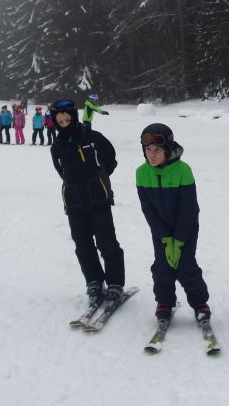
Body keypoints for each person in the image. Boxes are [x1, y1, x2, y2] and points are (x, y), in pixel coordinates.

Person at [49, 99, 125, 307]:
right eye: (61, 121)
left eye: (68, 118)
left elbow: (110, 156)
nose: (65, 122)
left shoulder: (92, 137)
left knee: (107, 243)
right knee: (83, 246)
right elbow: (60, 170)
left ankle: (115, 284)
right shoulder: (57, 146)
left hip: (98, 200)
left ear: (74, 116)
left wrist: (100, 176)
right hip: (74, 203)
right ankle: (93, 281)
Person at [136, 123, 211, 324]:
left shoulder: (183, 170)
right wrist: (164, 236)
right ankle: (164, 302)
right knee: (162, 267)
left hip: (185, 228)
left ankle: (200, 303)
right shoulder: (141, 173)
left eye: (157, 150)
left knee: (186, 266)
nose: (152, 155)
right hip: (160, 230)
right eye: (148, 150)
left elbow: (188, 208)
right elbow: (148, 209)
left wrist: (177, 239)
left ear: (167, 149)